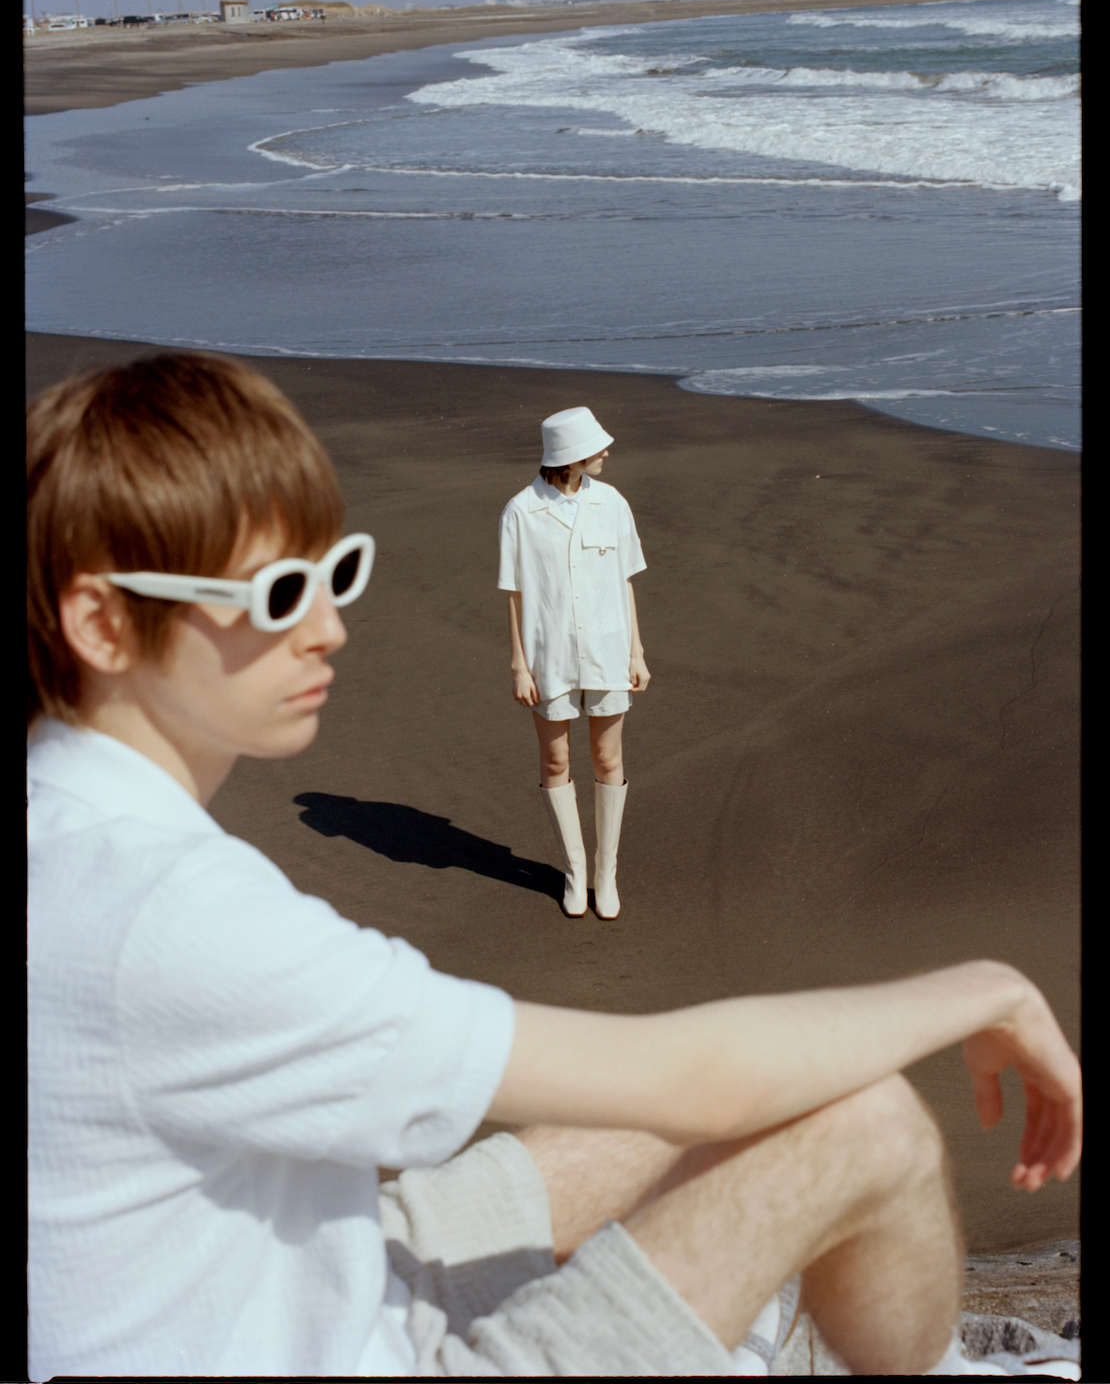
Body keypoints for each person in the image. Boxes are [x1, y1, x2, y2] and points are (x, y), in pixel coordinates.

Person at [28, 354, 1082, 1379]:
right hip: (347, 1351)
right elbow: (702, 1082)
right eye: (277, 594)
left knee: (633, 1134)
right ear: (104, 623)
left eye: (336, 573)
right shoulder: (176, 917)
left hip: (302, 1273)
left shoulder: (70, 833)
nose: (330, 629)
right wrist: (985, 989)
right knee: (867, 1123)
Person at [498, 406, 649, 918]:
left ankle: (606, 874)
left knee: (608, 758)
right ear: (569, 455)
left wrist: (636, 652)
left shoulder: (612, 503)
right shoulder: (521, 512)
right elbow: (515, 594)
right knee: (556, 761)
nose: (606, 451)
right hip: (550, 657)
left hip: (608, 651)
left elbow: (625, 582)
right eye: (595, 446)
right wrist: (519, 665)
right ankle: (575, 871)